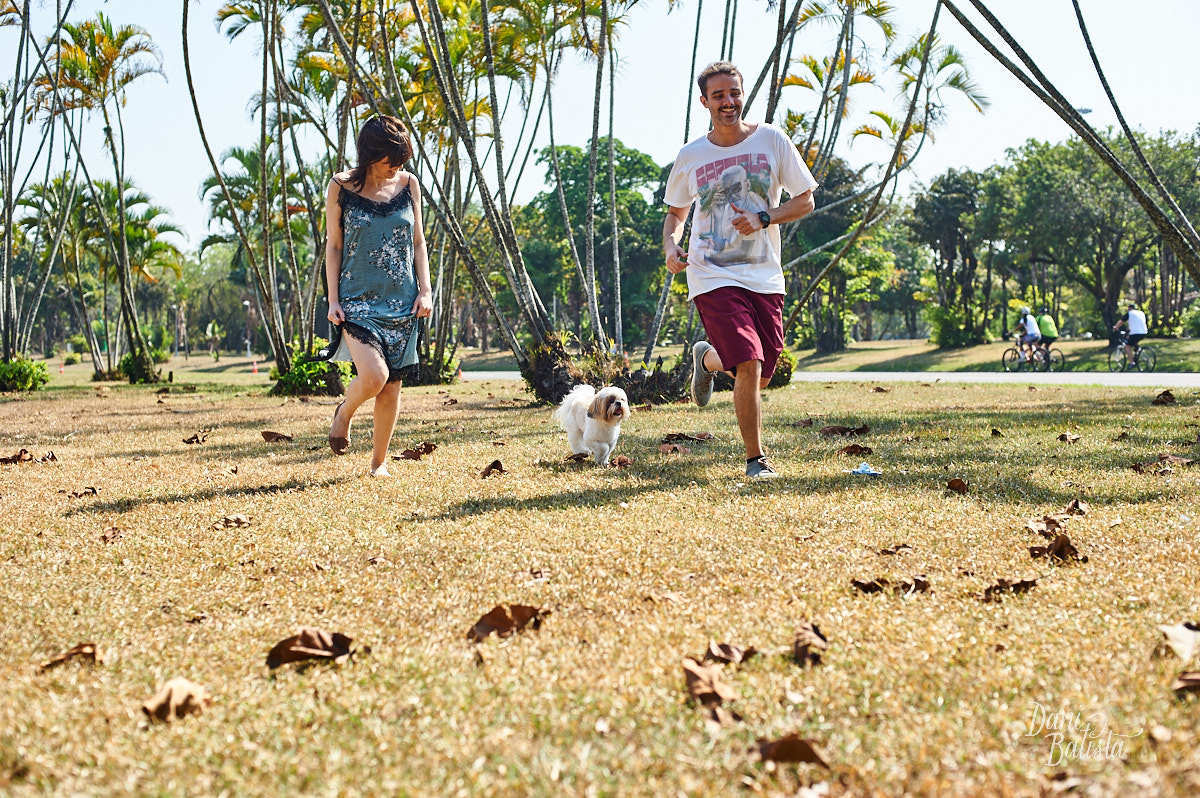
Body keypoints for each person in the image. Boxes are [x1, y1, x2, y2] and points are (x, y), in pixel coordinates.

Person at [662, 61, 818, 480]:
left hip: (764, 274)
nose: (728, 102)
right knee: (748, 363)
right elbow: (676, 212)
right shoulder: (692, 155)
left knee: (762, 374)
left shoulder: (771, 139)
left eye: (734, 93)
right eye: (719, 96)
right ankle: (756, 461)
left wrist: (765, 217)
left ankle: (709, 360)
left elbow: (805, 200)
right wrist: (671, 245)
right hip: (711, 273)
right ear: (704, 102)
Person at [322, 115, 433, 476]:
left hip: (402, 301)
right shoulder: (341, 186)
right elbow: (334, 246)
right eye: (391, 159)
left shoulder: (409, 184)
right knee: (374, 376)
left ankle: (378, 463)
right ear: (371, 154)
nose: (397, 167)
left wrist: (426, 290)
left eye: (402, 159)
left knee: (391, 387)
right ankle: (344, 412)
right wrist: (333, 299)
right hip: (357, 301)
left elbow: (418, 242)